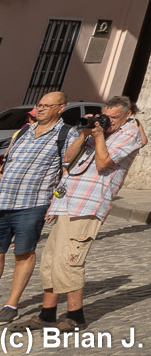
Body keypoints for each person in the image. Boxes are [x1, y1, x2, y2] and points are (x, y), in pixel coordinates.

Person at [39, 95, 146, 330]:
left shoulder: (129, 133)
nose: (109, 122)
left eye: (114, 118)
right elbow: (68, 159)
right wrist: (86, 134)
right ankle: (46, 313)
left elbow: (103, 163)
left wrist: (99, 137)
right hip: (67, 201)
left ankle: (75, 317)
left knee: (70, 261)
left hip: (88, 205)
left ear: (128, 115)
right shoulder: (98, 132)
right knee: (50, 261)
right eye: (106, 116)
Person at [0, 92, 71, 323]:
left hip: (32, 205)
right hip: (3, 201)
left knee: (23, 253)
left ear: (60, 108)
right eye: (39, 105)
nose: (40, 109)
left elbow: (67, 174)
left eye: (46, 105)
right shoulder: (23, 131)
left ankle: (11, 304)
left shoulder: (66, 134)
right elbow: (6, 165)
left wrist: (57, 203)